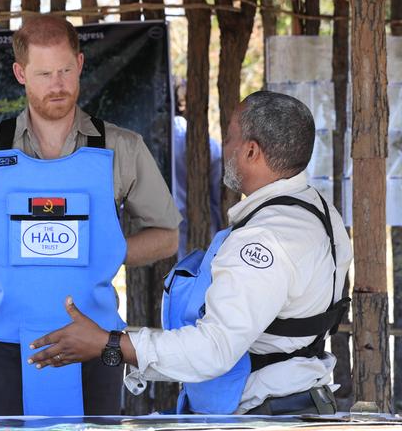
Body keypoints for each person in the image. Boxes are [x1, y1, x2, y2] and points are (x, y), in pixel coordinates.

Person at [28, 91, 352, 415]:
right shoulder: (322, 213)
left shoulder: (263, 240)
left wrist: (111, 344)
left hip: (265, 413)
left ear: (251, 151)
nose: (225, 149)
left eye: (230, 139)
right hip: (301, 400)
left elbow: (214, 349)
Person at [0, 15, 181, 416]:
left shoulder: (122, 147)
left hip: (94, 341)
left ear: (80, 64)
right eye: (44, 73)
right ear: (20, 73)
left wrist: (108, 251)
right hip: (6, 341)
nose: (58, 84)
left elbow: (166, 235)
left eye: (66, 70)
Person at [171, 79, 223, 259]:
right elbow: (220, 197)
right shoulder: (209, 146)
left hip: (160, 241)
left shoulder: (147, 140)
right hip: (201, 241)